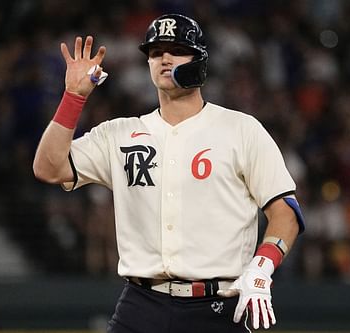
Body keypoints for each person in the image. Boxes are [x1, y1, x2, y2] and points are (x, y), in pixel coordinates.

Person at [33, 13, 305, 333]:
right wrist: (73, 97)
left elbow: (285, 212)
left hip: (218, 306)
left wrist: (262, 266)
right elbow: (49, 168)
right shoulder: (120, 134)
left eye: (176, 49)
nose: (164, 58)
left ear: (199, 60)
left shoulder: (241, 130)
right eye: (155, 51)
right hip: (141, 302)